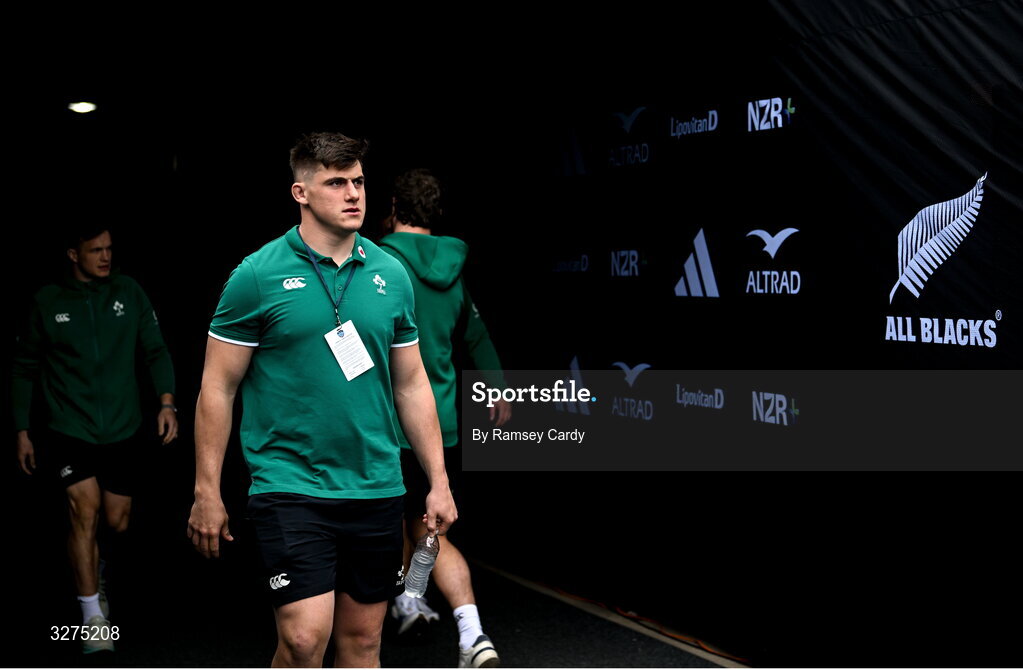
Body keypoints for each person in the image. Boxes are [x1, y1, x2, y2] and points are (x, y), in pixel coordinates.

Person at [187, 132, 457, 668]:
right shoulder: (256, 276)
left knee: (362, 644)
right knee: (306, 639)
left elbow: (411, 383)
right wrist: (206, 490)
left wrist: (439, 480)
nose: (354, 193)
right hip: (290, 484)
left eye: (358, 181)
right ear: (301, 193)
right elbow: (218, 387)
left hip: (376, 484)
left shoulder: (391, 275)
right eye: (336, 183)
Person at [12, 224, 178, 654]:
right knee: (83, 510)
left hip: (123, 428)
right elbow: (24, 368)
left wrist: (166, 404)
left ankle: (95, 568)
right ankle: (93, 620)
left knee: (116, 521)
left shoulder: (129, 292)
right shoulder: (47, 302)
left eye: (109, 249)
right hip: (69, 429)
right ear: (73, 254)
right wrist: (21, 429)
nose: (105, 256)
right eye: (95, 250)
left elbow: (155, 350)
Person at [379, 168, 509, 669]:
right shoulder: (453, 270)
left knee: (388, 524)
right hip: (441, 426)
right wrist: (498, 388)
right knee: (429, 529)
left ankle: (405, 599)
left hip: (389, 424)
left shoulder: (378, 263)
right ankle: (470, 632)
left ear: (393, 206)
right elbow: (475, 337)